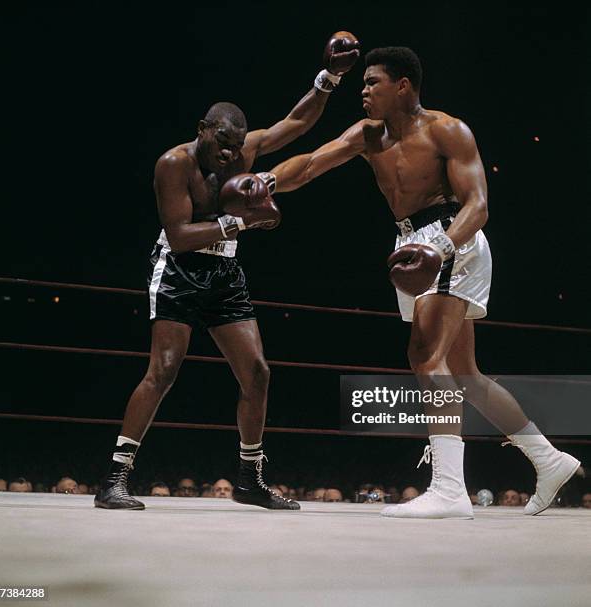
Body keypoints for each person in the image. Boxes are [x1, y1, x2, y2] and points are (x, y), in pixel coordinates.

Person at [268, 46, 581, 519]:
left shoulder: (446, 130)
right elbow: (311, 164)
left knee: (424, 355)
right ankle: (548, 459)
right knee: (467, 375)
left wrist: (440, 250)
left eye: (373, 82)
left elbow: (478, 205)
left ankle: (450, 490)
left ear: (403, 86)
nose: (365, 91)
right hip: (412, 243)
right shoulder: (368, 135)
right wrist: (265, 181)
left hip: (452, 236)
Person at [93, 33, 361, 512]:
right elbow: (178, 234)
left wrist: (330, 78)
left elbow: (297, 122)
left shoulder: (244, 152)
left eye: (235, 146)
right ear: (202, 129)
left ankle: (249, 479)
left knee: (257, 373)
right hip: (178, 269)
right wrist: (243, 219)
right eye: (221, 143)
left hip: (224, 271)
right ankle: (114, 479)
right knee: (164, 370)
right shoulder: (173, 164)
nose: (227, 154)